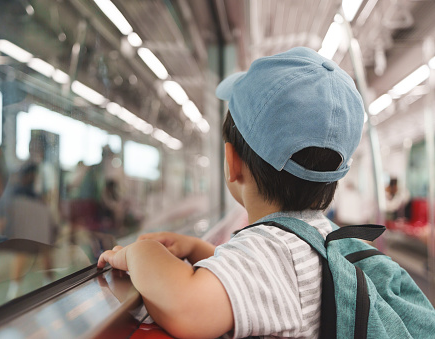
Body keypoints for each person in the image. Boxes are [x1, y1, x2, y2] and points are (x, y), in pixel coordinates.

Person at [97, 47, 365, 338]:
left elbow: (188, 309)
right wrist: (198, 249)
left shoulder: (272, 249)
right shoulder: (317, 236)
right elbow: (266, 282)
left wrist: (140, 253)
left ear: (232, 162)